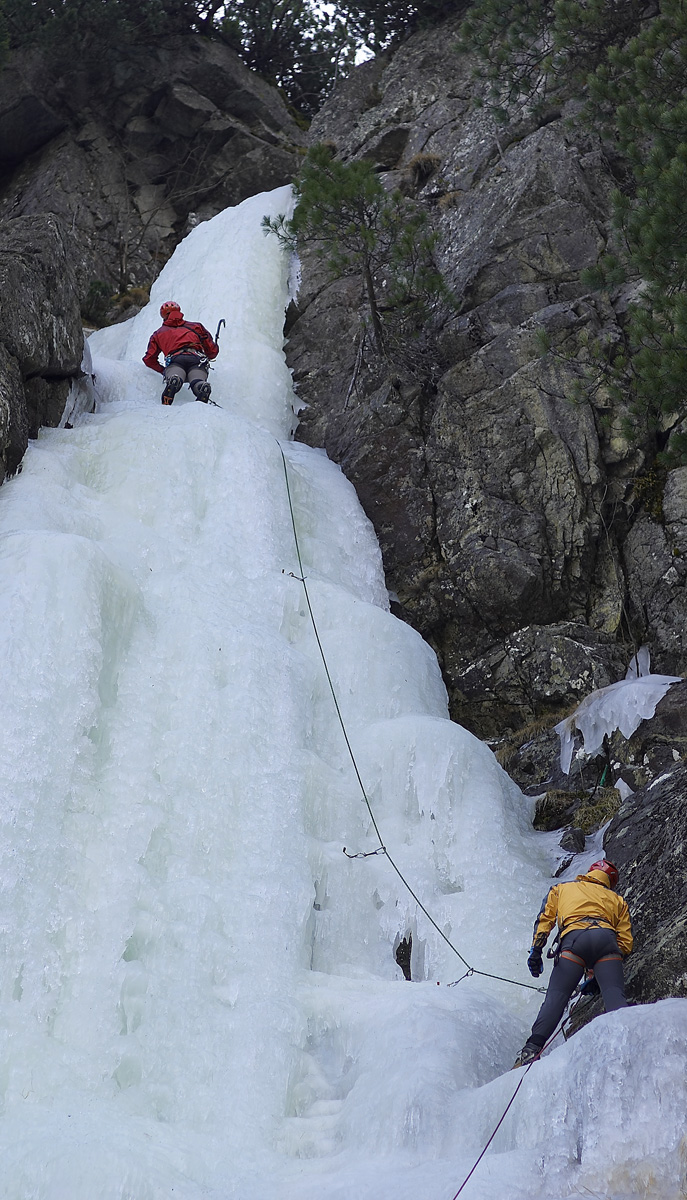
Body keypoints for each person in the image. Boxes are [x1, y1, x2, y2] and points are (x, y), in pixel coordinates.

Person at [513, 858, 633, 1068]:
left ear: (590, 872)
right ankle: (628, 1050)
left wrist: (536, 950)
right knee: (615, 998)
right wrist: (598, 971)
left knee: (556, 998)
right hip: (607, 941)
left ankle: (530, 1051)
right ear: (609, 882)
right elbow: (625, 942)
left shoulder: (562, 888)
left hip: (574, 940)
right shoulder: (617, 900)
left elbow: (545, 920)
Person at [143, 301, 219, 405]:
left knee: (175, 374)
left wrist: (163, 370)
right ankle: (201, 386)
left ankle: (175, 380)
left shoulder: (158, 333)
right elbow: (212, 351)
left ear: (163, 315)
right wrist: (211, 352)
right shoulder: (196, 326)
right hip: (196, 359)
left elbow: (149, 359)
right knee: (197, 380)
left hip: (175, 359)